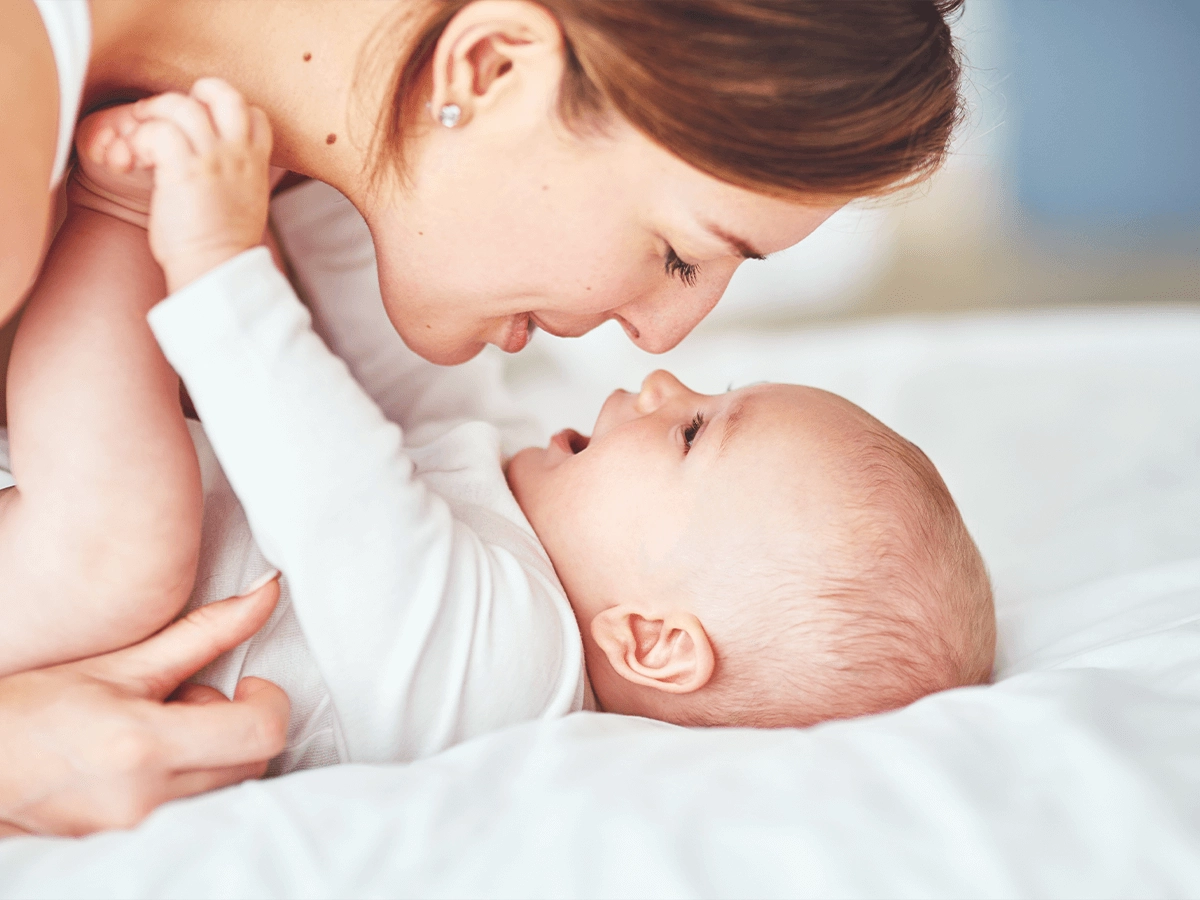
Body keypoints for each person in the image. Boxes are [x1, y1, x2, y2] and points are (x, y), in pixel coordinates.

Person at [0, 0, 965, 834]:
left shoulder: (520, 676)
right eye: (680, 253)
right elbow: (367, 415)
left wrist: (240, 245)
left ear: (655, 640)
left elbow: (343, 481)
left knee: (129, 546)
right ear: (491, 66)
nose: (664, 346)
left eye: (694, 431)